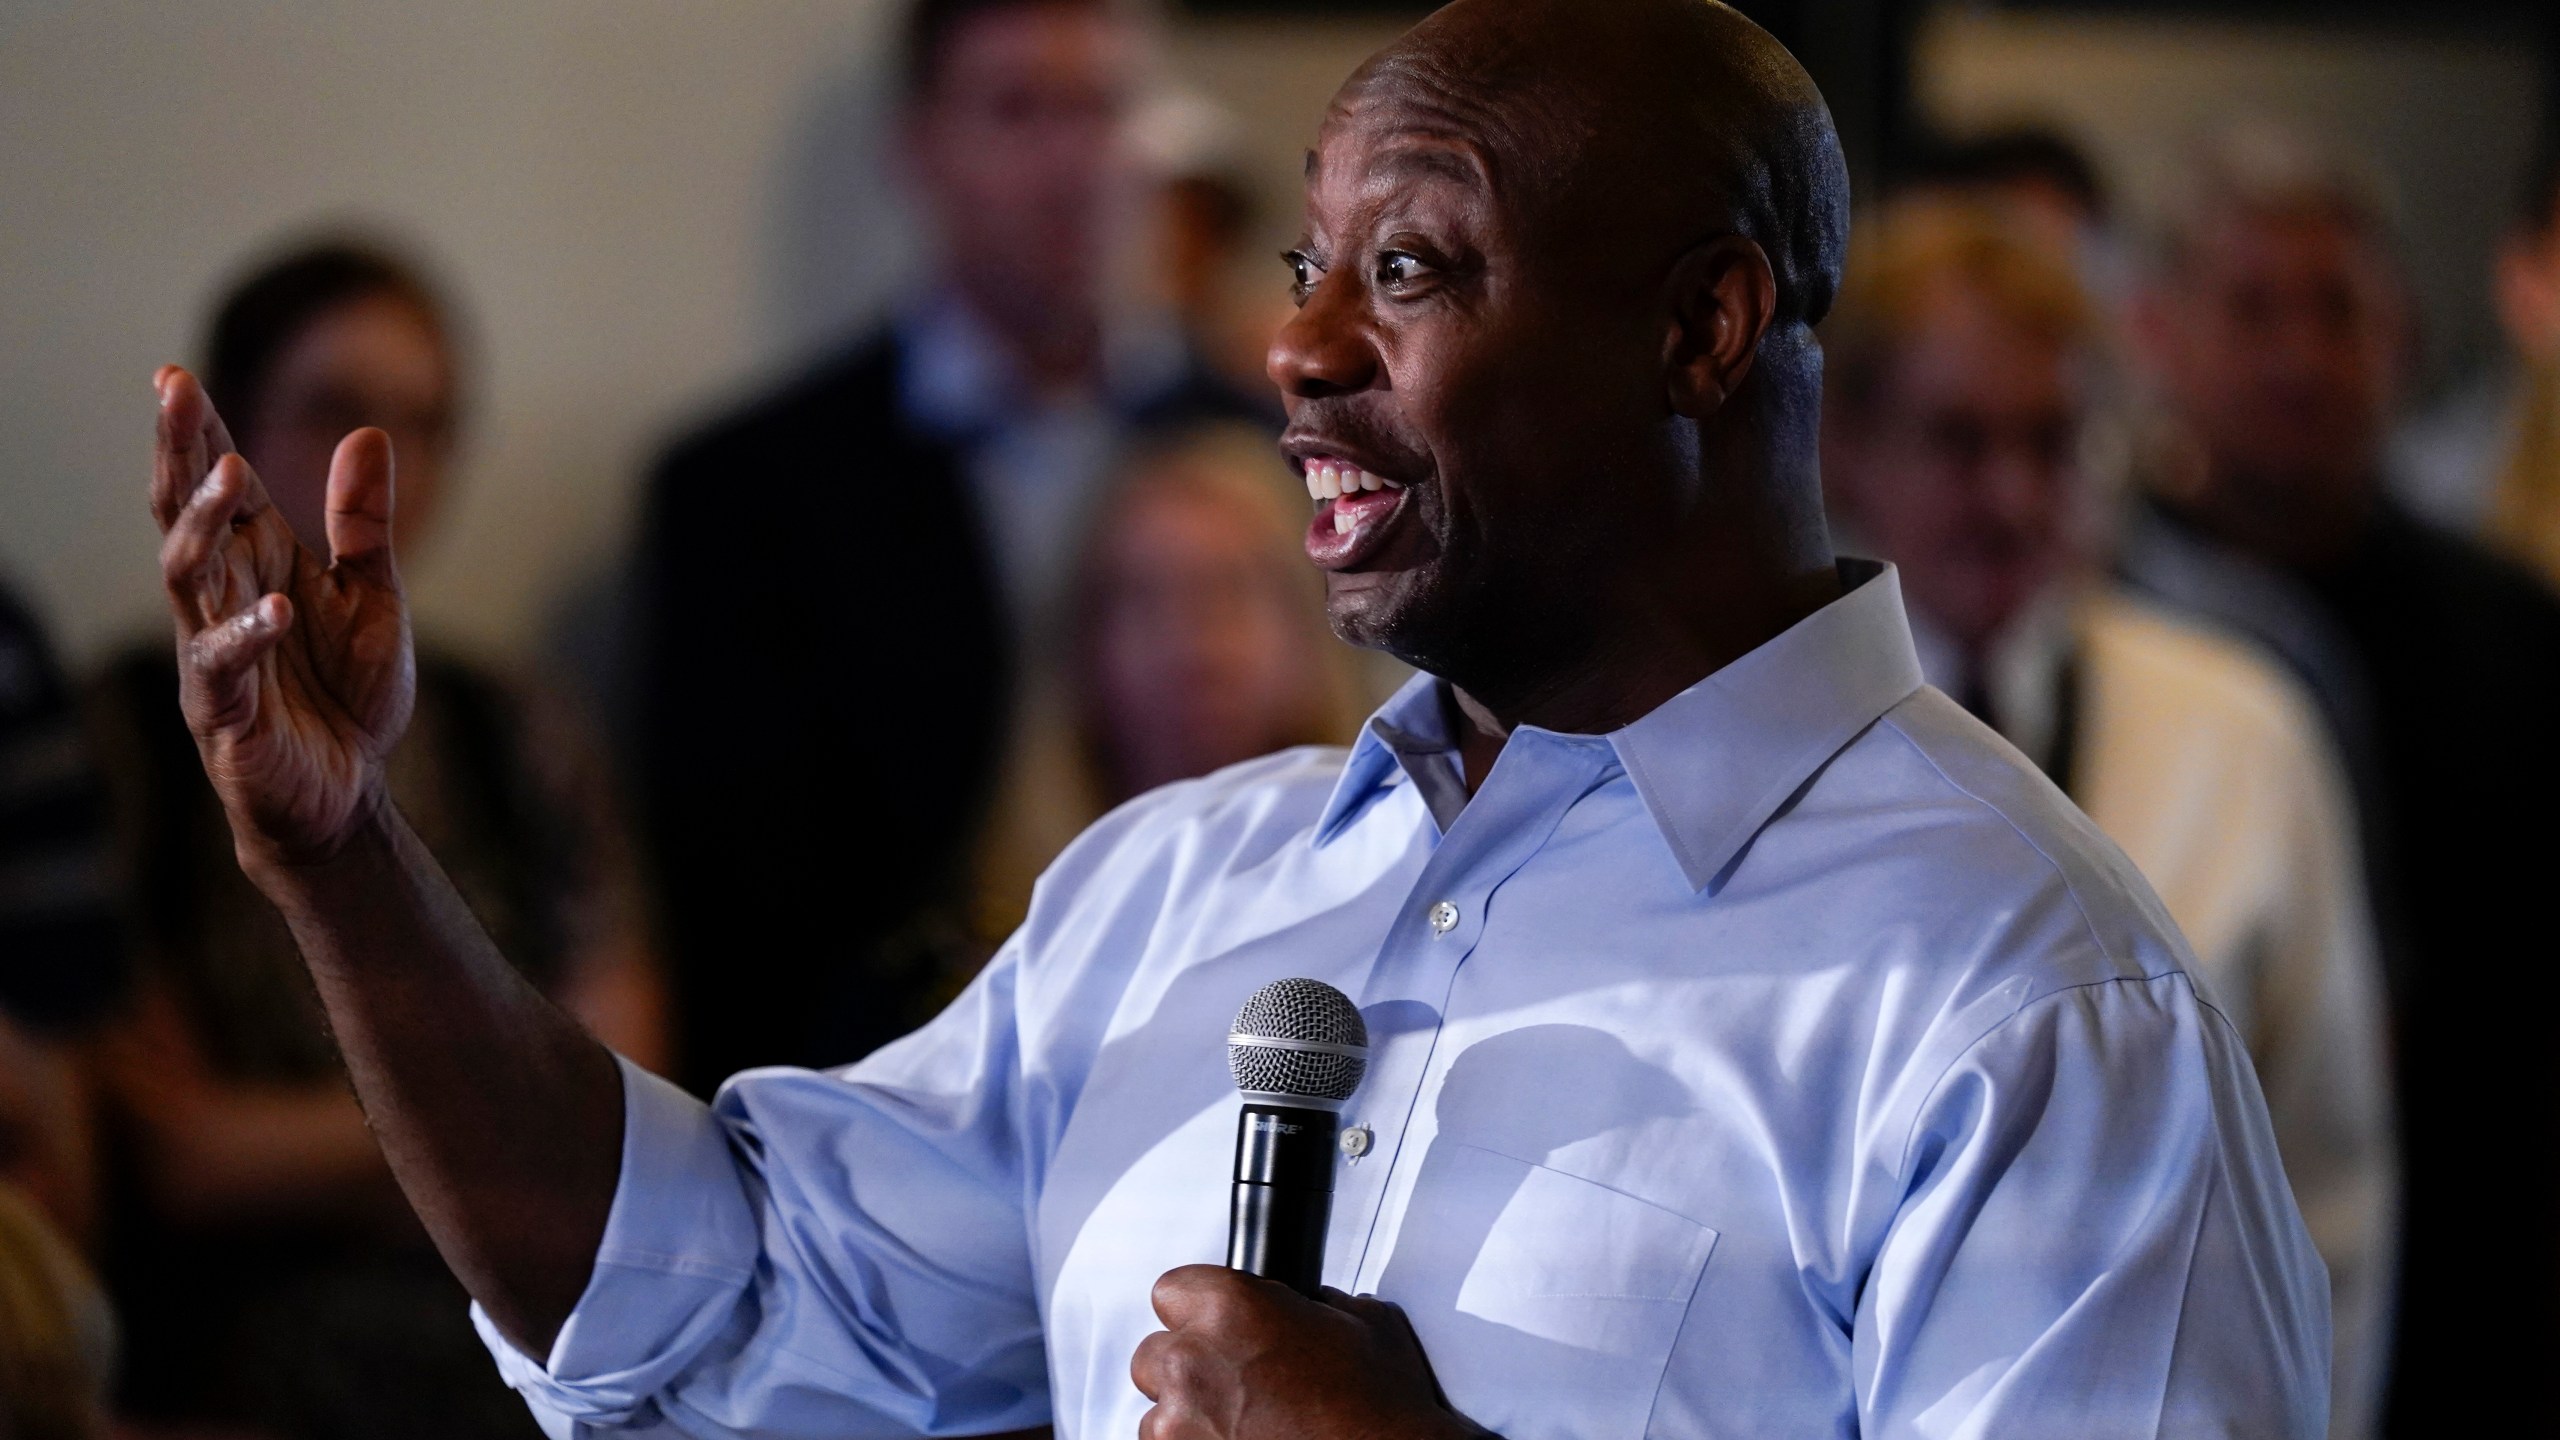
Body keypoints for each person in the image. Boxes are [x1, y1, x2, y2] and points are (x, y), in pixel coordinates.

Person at [138, 0, 2328, 1434]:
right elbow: (700, 1303)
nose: (1289, 348)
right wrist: (346, 865)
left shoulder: (2026, 1001)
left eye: (1405, 266)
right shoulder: (1179, 889)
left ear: (1699, 328)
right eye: (1299, 258)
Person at [1823, 201, 2394, 1437]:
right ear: (1842, 449)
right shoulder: (1766, 747)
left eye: (2052, 441)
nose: (2012, 496)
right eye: (1958, 440)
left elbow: (2330, 1197)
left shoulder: (2240, 729)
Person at [634, 0, 1270, 1096]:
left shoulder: (1275, 449)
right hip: (886, 1107)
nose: (1074, 161)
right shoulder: (744, 494)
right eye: (1018, 109)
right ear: (919, 148)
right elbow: (738, 928)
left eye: (1105, 108)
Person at [90, 241, 668, 1440]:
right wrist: (497, 1141)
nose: (388, 465)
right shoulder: (126, 734)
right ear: (232, 431)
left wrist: (298, 1152)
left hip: (534, 1355)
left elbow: (626, 1134)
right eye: (338, 411)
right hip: (244, 1368)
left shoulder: (518, 731)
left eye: (427, 421)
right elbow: (179, 1157)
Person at [2121, 130, 2560, 1435]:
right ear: (2157, 329)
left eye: (2338, 311)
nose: (2299, 357)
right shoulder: (2092, 631)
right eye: (2253, 309)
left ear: (2403, 338)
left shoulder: (2518, 635)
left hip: (2487, 1256)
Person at [968, 424, 1369, 948]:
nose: (1191, 643)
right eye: (1144, 599)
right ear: (1082, 644)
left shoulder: (1401, 899)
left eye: (1229, 588)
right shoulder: (995, 953)